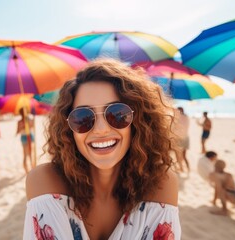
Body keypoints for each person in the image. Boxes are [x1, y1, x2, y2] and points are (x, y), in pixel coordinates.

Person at [23, 59, 180, 239]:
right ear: (68, 129)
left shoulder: (161, 185)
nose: (101, 129)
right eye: (82, 117)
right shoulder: (45, 181)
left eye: (117, 114)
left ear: (138, 122)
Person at [16, 107, 35, 174]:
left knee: (30, 154)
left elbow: (32, 127)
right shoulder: (20, 121)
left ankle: (32, 168)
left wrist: (31, 122)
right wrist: (22, 127)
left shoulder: (29, 119)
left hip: (30, 136)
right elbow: (17, 132)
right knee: (26, 154)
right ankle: (27, 170)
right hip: (24, 137)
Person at [173, 107, 190, 172]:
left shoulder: (176, 118)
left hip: (178, 138)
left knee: (177, 155)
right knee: (184, 156)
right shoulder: (186, 117)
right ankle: (188, 169)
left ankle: (181, 168)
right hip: (186, 137)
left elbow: (173, 128)